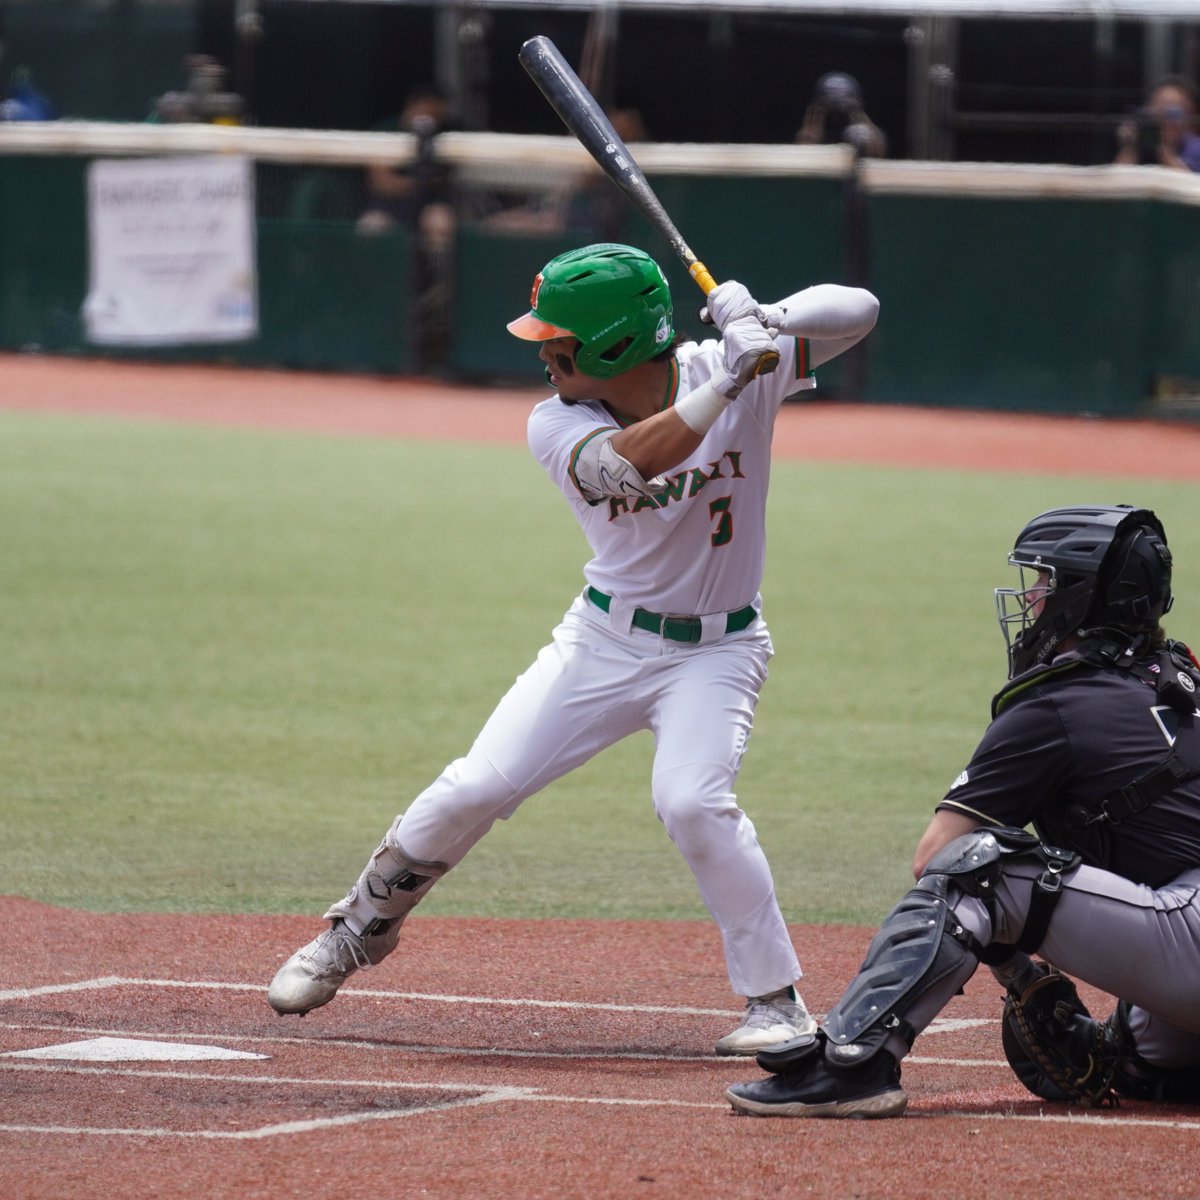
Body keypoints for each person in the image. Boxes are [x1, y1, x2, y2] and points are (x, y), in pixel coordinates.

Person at [267, 243, 880, 1055]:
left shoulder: (733, 356)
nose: (544, 353)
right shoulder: (558, 419)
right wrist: (736, 379)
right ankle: (358, 928)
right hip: (605, 638)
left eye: (560, 340)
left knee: (693, 801)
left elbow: (861, 309)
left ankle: (777, 1002)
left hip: (719, 650)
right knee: (475, 785)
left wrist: (765, 318)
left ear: (615, 344)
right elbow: (632, 464)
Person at [727, 504, 1200, 1117]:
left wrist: (1018, 973)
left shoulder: (1057, 703)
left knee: (975, 869)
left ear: (1082, 596)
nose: (1032, 601)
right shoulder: (1180, 677)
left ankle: (851, 1062)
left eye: (1044, 583)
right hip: (1187, 933)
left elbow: (935, 857)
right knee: (1130, 1059)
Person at [1114, 75, 1200, 172]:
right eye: (1157, 105)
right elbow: (1117, 181)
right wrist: (1129, 148)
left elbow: (1188, 183)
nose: (1161, 117)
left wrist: (1161, 148)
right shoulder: (1140, 143)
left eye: (1172, 111)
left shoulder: (1195, 148)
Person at [796, 72, 887, 159]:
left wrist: (857, 113)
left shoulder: (862, 132)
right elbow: (803, 154)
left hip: (855, 149)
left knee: (861, 133)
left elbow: (876, 154)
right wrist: (817, 116)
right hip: (821, 159)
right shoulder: (813, 132)